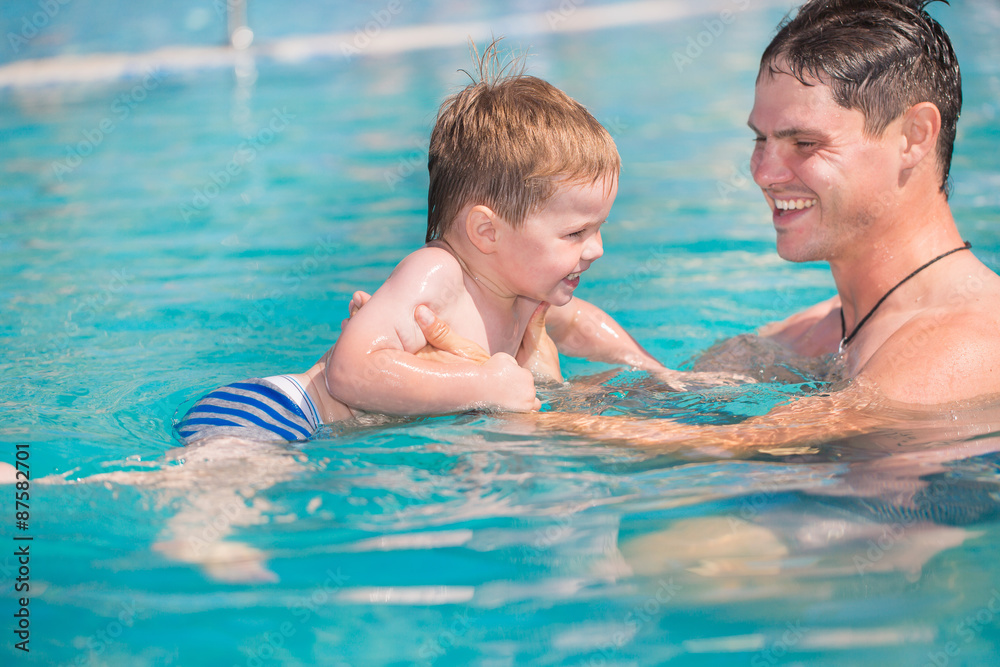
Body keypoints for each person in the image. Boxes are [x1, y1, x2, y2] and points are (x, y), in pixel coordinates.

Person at [399, 0, 1000, 450]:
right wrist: (496, 347)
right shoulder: (817, 333)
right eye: (760, 139)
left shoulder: (967, 342)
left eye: (804, 142)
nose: (764, 171)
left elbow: (734, 447)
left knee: (685, 555)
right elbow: (670, 401)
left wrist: (505, 401)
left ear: (914, 137)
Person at [175, 41, 669, 444]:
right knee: (220, 486)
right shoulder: (438, 272)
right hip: (279, 409)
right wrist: (481, 385)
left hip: (312, 433)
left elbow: (580, 323)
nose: (596, 248)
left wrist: (652, 370)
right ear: (486, 231)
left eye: (598, 228)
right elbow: (348, 371)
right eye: (575, 233)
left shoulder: (521, 294)